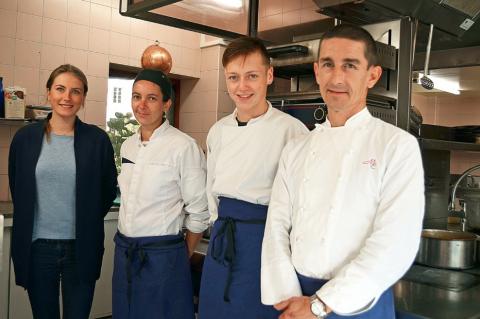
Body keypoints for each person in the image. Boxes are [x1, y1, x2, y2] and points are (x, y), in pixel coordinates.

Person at [261, 24, 425, 319]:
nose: (337, 77)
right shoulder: (296, 148)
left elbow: (394, 243)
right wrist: (291, 299)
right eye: (328, 64)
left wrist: (320, 305)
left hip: (359, 302)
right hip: (296, 298)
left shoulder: (397, 146)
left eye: (350, 66)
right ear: (316, 71)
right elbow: (276, 227)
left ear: (372, 75)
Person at [198, 37, 308, 319]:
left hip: (265, 243)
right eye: (233, 77)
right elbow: (211, 193)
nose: (242, 86)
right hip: (222, 240)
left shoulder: (293, 132)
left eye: (252, 76)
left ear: (269, 76)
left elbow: (302, 205)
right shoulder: (217, 131)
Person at [8, 64, 118, 319]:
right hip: (38, 249)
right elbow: (18, 185)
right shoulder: (25, 138)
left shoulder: (97, 140)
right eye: (60, 89)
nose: (66, 97)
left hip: (81, 248)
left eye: (75, 91)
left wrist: (86, 218)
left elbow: (107, 189)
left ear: (83, 98)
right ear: (48, 93)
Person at [112, 68, 209, 319]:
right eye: (136, 96)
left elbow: (199, 210)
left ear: (166, 103)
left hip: (163, 256)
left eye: (151, 98)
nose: (141, 105)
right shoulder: (128, 145)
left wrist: (179, 254)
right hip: (125, 253)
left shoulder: (183, 146)